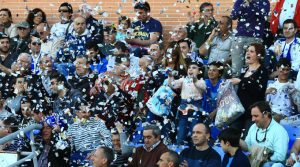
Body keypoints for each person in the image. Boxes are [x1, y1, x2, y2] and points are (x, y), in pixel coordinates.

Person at [230, 43, 268, 135]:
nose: (248, 53)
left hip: (253, 113)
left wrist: (240, 81)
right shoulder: (244, 70)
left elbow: (257, 90)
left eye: (251, 51)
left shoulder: (262, 71)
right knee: (231, 137)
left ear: (259, 55)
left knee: (248, 139)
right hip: (239, 112)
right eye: (247, 51)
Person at [168, 60, 206, 145]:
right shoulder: (183, 80)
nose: (190, 70)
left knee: (194, 130)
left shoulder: (201, 81)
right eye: (189, 68)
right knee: (181, 129)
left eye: (194, 68)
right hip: (184, 108)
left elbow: (202, 87)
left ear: (200, 71)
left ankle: (193, 150)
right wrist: (170, 76)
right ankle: (179, 148)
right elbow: (172, 85)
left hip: (195, 108)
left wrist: (194, 79)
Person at [240, 101, 289, 167]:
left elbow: (280, 156)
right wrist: (237, 140)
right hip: (253, 161)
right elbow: (247, 147)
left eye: (256, 116)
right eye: (252, 116)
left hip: (269, 163)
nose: (253, 119)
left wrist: (263, 156)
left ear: (265, 114)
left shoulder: (279, 131)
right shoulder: (253, 127)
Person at [230, 0, 270, 76]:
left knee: (251, 69)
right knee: (236, 69)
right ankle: (236, 86)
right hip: (239, 37)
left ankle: (249, 87)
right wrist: (243, 4)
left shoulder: (264, 1)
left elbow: (264, 15)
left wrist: (252, 3)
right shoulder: (240, 1)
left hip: (255, 38)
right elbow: (233, 15)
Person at [266, 58, 298, 122]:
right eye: (283, 69)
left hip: (286, 117)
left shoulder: (293, 86)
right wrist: (266, 93)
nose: (285, 72)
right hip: (272, 114)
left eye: (287, 70)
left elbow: (297, 108)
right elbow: (265, 105)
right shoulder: (270, 86)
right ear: (277, 69)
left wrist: (294, 95)